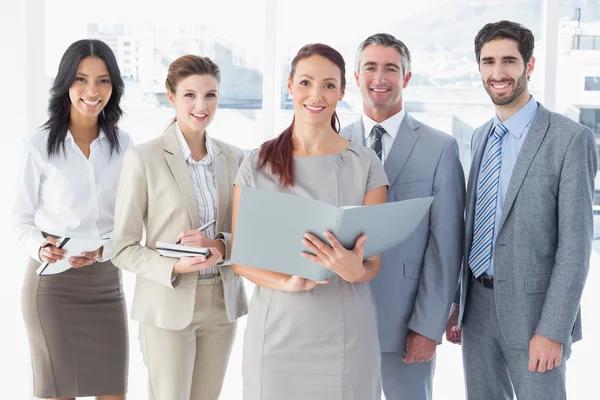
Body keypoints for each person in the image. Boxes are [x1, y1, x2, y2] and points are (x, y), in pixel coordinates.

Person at [445, 20, 597, 399]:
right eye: (488, 62)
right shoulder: (480, 136)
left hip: (535, 317)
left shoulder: (570, 139)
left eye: (509, 61)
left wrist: (553, 329)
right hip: (476, 312)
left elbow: (576, 247)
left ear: (528, 66)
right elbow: (474, 228)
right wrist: (457, 302)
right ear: (479, 67)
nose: (498, 73)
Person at [231, 43, 388, 400]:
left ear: (343, 92)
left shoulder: (365, 164)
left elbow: (373, 263)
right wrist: (285, 283)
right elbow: (241, 259)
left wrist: (353, 269)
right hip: (278, 333)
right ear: (290, 86)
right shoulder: (257, 163)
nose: (316, 95)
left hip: (347, 334)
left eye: (329, 85)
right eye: (305, 83)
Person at [111, 55, 248, 400]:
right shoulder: (144, 158)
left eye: (210, 95)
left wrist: (220, 246)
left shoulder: (235, 158)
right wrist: (174, 265)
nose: (201, 105)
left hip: (222, 303)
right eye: (189, 95)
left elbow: (249, 233)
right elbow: (123, 247)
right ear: (171, 97)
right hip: (167, 305)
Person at [340, 33, 465, 400]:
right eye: (371, 68)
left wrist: (427, 327)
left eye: (391, 69)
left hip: (406, 323)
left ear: (406, 78)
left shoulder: (440, 147)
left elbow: (446, 245)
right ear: (356, 76)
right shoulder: (336, 143)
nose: (380, 78)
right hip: (340, 321)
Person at [13, 39, 131, 400]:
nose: (92, 91)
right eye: (81, 79)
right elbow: (20, 220)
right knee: (59, 392)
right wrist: (40, 246)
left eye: (103, 80)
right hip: (52, 287)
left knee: (113, 391)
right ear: (66, 82)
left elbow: (131, 221)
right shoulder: (38, 145)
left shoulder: (124, 146)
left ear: (114, 87)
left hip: (107, 283)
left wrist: (103, 249)